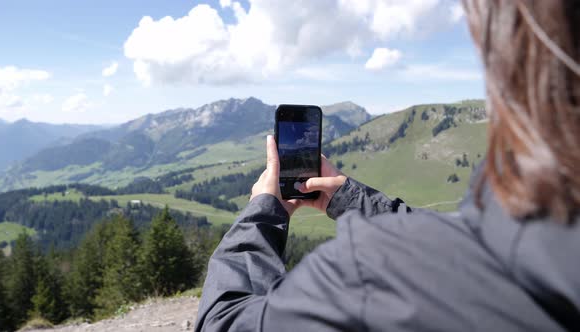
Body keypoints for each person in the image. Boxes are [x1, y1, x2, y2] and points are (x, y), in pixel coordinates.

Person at [195, 0, 580, 331]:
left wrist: (262, 212)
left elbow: (223, 321)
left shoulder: (372, 270)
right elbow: (452, 249)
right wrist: (346, 198)